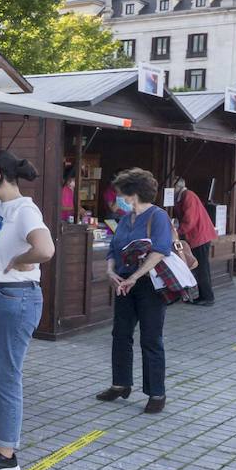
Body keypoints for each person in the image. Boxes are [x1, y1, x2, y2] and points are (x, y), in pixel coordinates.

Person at [0, 151, 54, 470]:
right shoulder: (1, 208)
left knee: (5, 374)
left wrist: (20, 261)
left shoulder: (24, 210)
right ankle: (1, 427)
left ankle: (7, 453)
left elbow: (45, 249)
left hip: (12, 297)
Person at [97, 168, 173, 414]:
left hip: (149, 283)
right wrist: (110, 271)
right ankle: (120, 383)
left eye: (122, 194)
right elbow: (113, 249)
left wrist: (136, 277)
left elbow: (160, 250)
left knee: (151, 338)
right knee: (120, 334)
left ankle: (156, 392)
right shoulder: (125, 219)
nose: (118, 198)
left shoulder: (158, 216)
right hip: (123, 282)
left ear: (134, 194)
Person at [172, 177, 216, 306]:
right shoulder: (185, 196)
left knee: (201, 267)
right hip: (199, 235)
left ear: (177, 187)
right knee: (201, 267)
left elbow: (189, 220)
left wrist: (177, 233)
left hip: (199, 236)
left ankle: (207, 297)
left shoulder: (188, 196)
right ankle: (204, 296)